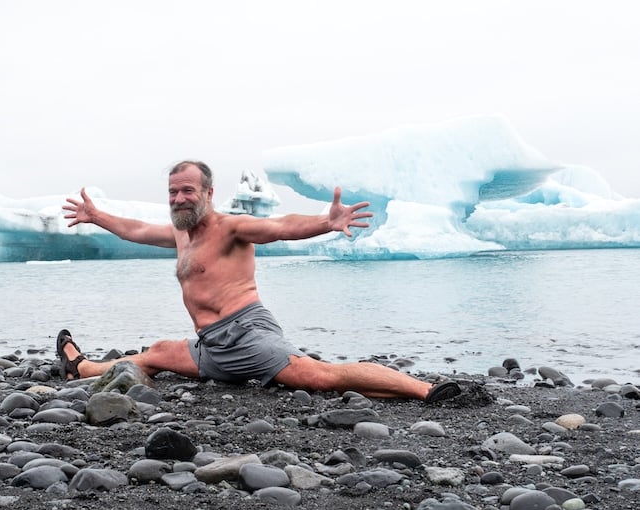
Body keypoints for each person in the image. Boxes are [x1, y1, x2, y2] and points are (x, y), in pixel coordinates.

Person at [58, 160, 460, 402]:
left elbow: (280, 226)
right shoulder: (180, 233)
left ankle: (427, 390)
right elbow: (136, 230)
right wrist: (98, 217)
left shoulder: (231, 228)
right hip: (210, 347)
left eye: (187, 191)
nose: (179, 198)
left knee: (319, 376)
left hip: (246, 335)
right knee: (158, 353)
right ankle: (83, 366)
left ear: (208, 192)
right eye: (173, 192)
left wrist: (325, 222)